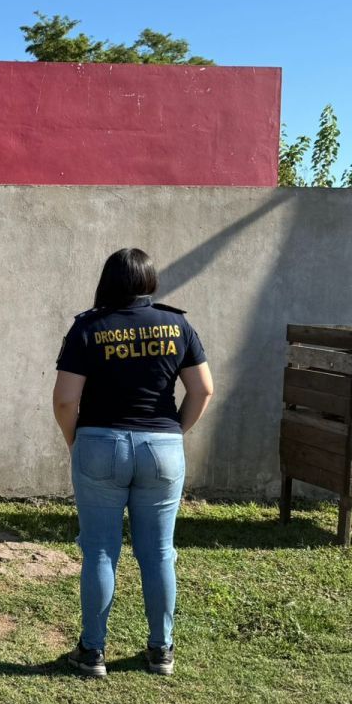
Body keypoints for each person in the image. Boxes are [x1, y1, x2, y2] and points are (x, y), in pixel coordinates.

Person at [52, 248, 214, 678]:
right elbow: (203, 390)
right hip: (161, 446)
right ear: (150, 281)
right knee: (159, 552)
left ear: (107, 281)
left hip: (99, 443)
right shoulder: (177, 324)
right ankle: (161, 651)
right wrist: (174, 433)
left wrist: (76, 441)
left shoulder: (89, 326)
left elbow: (66, 399)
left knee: (100, 550)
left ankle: (92, 652)